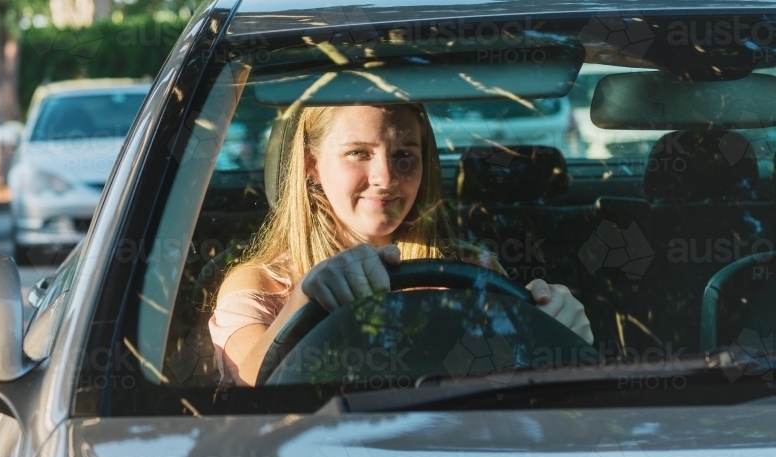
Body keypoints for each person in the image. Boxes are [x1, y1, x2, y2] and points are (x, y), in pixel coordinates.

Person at [209, 103, 593, 386]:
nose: (386, 177)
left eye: (404, 155)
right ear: (312, 165)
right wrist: (301, 302)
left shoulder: (471, 269)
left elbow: (527, 401)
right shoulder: (260, 286)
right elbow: (247, 393)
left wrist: (558, 333)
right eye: (358, 153)